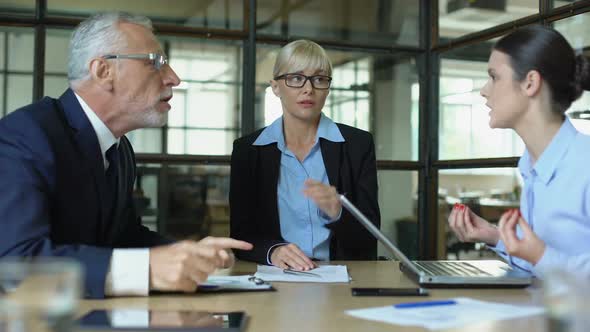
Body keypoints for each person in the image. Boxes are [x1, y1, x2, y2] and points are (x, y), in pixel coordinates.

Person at [0, 12, 252, 298]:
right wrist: (146, 269)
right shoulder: (24, 137)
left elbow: (123, 236)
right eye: (155, 62)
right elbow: (15, 264)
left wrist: (183, 253)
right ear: (103, 71)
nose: (174, 78)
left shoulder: (120, 149)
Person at [448, 25, 590, 278]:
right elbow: (539, 268)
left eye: (494, 77)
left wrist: (540, 254)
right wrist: (494, 236)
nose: (484, 90)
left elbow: (544, 259)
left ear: (530, 83)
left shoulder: (585, 163)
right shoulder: (531, 165)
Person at [229, 40, 380, 270]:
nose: (308, 89)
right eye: (296, 78)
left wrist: (339, 212)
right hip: (277, 276)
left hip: (340, 277)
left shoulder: (357, 145)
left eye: (319, 79)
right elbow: (241, 234)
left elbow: (369, 236)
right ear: (276, 87)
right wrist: (273, 251)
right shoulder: (248, 150)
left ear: (328, 88)